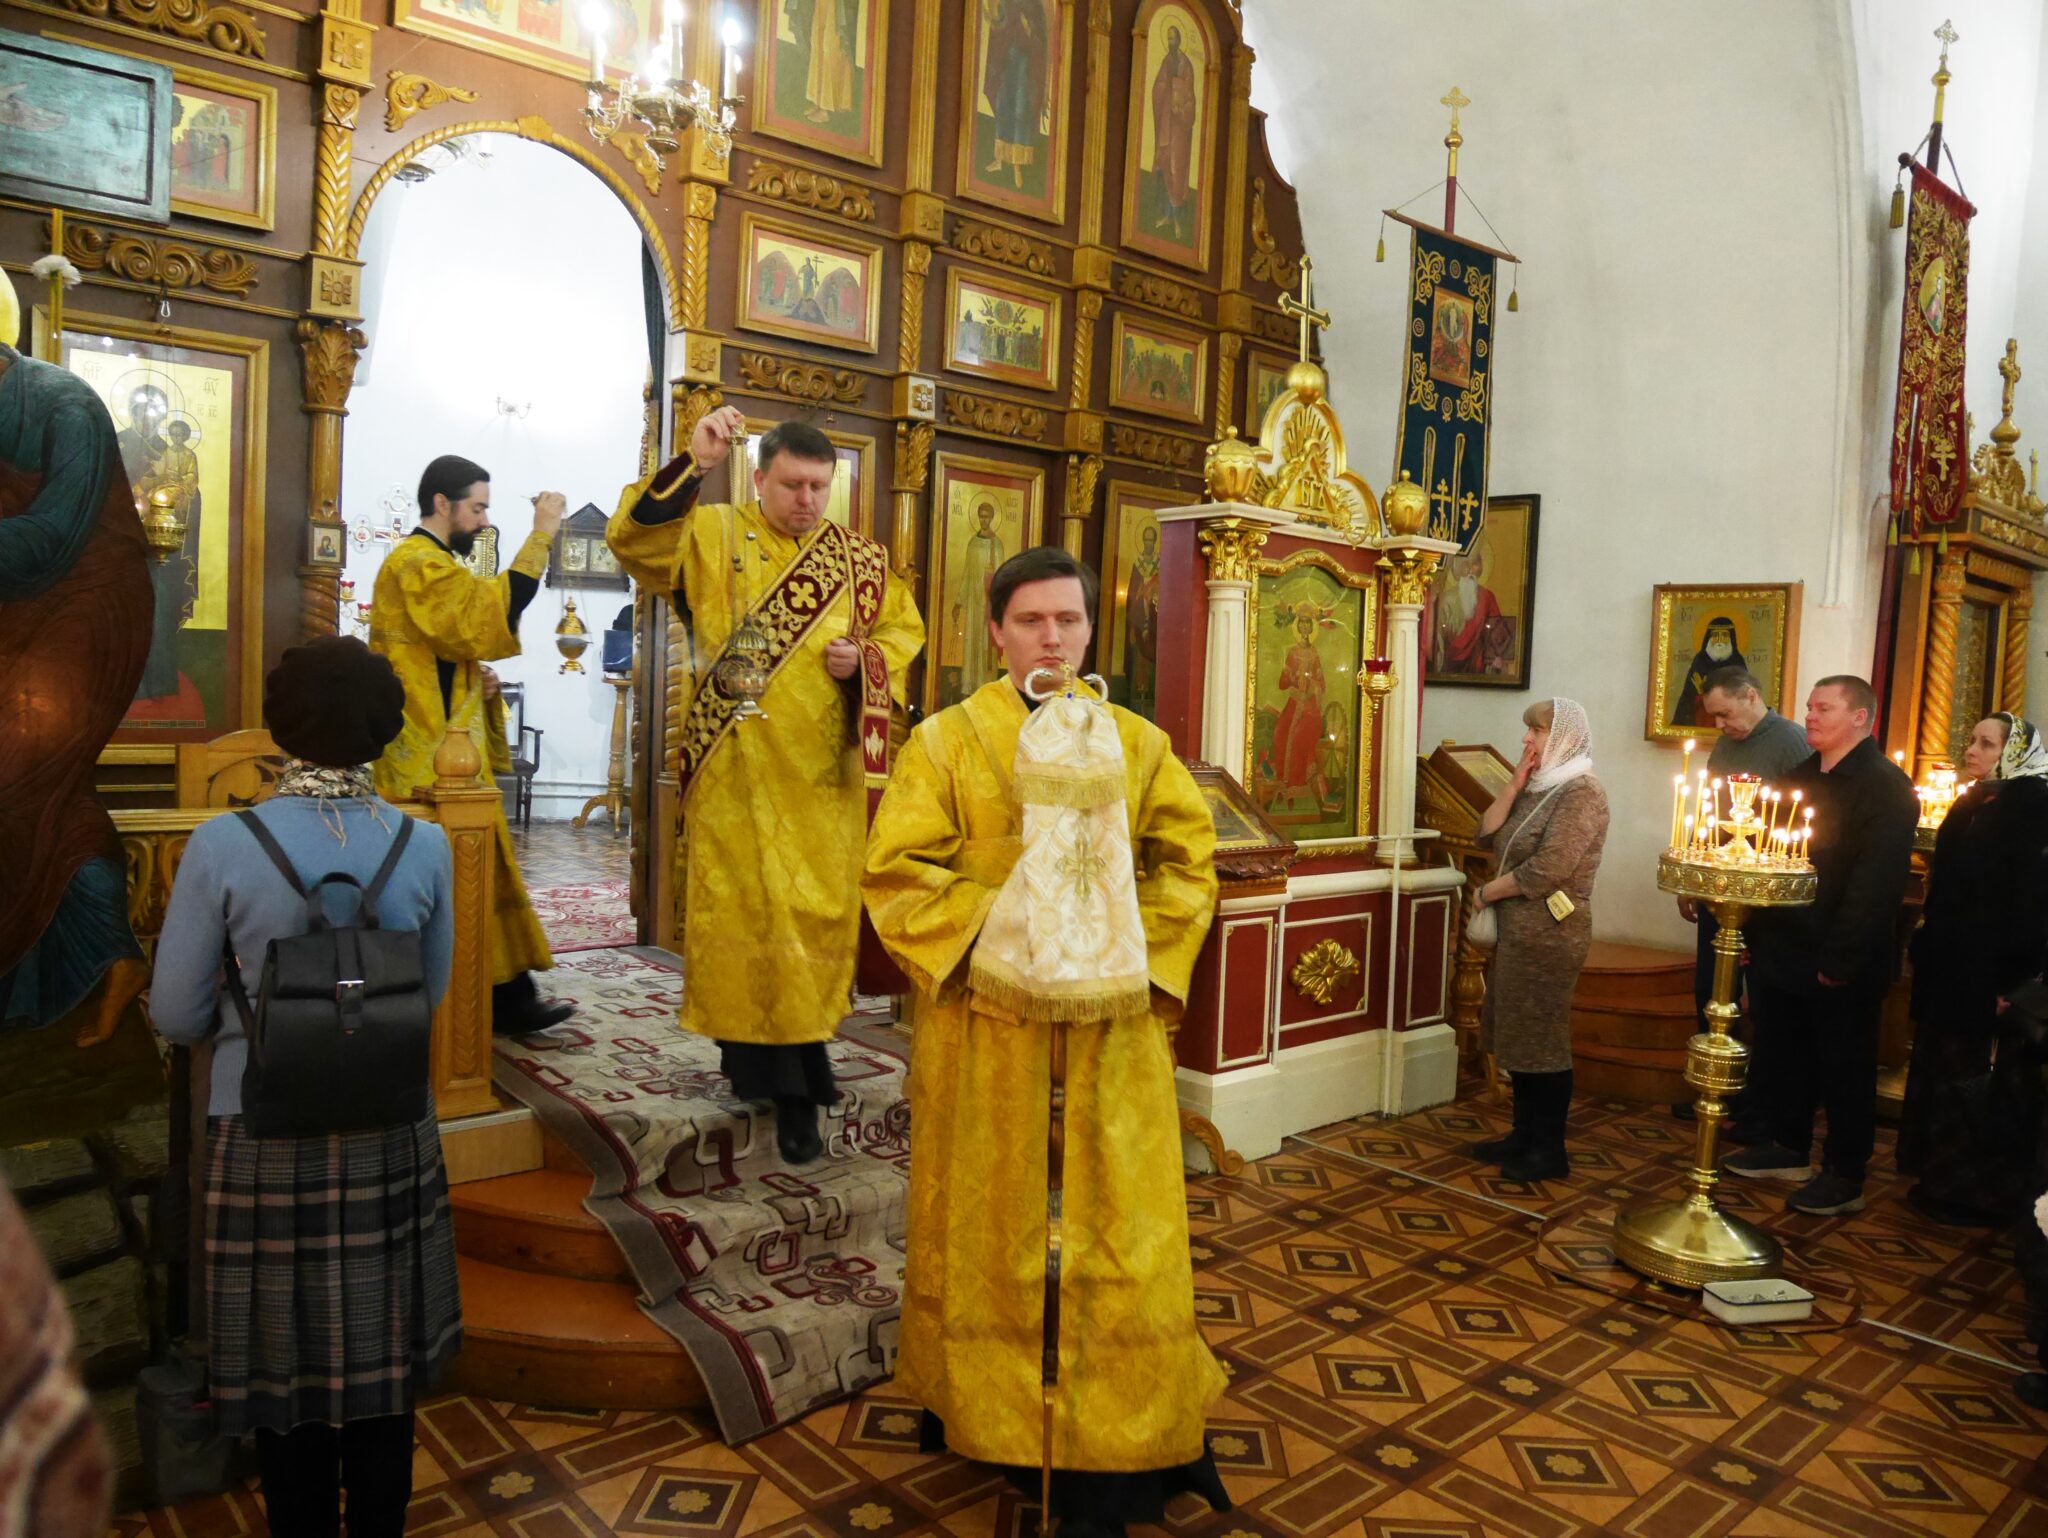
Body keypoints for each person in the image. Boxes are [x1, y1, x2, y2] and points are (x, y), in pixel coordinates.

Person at [861, 547, 1228, 1538]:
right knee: (991, 1231)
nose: (1051, 639)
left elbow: (1189, 865)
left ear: (1088, 630)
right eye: (1030, 621)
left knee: (1119, 1235)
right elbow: (895, 872)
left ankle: (1120, 1433)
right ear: (995, 631)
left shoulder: (1138, 744)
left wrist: (1127, 959)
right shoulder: (943, 743)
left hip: (1113, 1044)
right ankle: (991, 1416)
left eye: (1068, 620)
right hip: (990, 1037)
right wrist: (1015, 932)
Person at [148, 637, 461, 1538]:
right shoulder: (426, 844)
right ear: (384, 730)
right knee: (381, 1360)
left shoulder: (223, 843)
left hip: (260, 1128)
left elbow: (176, 1014)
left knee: (280, 1364)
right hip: (389, 1124)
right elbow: (431, 993)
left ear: (280, 727)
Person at [606, 410, 923, 1164]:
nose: (806, 499)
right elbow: (634, 543)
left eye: (818, 486)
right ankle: (786, 1086)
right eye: (791, 485)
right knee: (751, 924)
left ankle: (789, 1069)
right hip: (736, 773)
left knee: (809, 926)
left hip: (823, 786)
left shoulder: (860, 562)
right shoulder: (713, 534)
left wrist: (866, 663)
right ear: (758, 478)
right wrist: (694, 460)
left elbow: (902, 634)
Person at [369, 454, 572, 1036]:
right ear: (442, 503)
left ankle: (504, 997)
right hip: (425, 758)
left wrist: (475, 680)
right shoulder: (417, 562)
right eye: (478, 508)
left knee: (477, 871)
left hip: (447, 752)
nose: (484, 520)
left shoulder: (433, 562)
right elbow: (487, 612)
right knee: (454, 876)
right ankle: (468, 1003)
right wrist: (541, 534)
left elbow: (451, 644)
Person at [0, 322, 154, 1042]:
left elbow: (48, 540)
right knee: (50, 793)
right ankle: (104, 962)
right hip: (13, 612)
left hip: (88, 608)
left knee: (15, 773)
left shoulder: (64, 405)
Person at [1727, 675, 1916, 1215]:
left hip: (1841, 955)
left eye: (1824, 708)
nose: (1809, 715)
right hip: (1784, 946)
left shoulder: (1885, 787)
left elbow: (1874, 886)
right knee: (1786, 1055)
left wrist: (1842, 958)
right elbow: (1770, 860)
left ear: (1860, 717)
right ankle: (1788, 1148)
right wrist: (1753, 933)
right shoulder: (1800, 777)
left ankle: (1845, 1173)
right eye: (1809, 707)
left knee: (1844, 1067)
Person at [1895, 713, 2048, 1219]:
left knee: (1979, 1079)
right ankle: (1936, 1177)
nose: (1971, 750)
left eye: (1987, 743)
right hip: (1952, 969)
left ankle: (1976, 1195)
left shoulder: (2034, 807)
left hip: (1991, 976)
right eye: (1972, 740)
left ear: (2014, 752)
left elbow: (2030, 905)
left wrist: (2015, 983)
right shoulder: (1974, 802)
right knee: (1942, 1072)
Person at [1465, 698, 1610, 1183]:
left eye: (1538, 731)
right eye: (1528, 730)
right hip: (1517, 931)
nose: (1527, 739)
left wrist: (1486, 892)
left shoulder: (1583, 792)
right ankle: (1522, 1135)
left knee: (1542, 1037)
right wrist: (1513, 784)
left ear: (1566, 736)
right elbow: (1484, 834)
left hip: (1551, 934)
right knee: (1516, 1033)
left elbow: (1549, 868)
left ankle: (1549, 1149)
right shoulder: (1538, 785)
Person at [1671, 665, 1812, 1126]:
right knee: (1711, 989)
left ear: (1751, 696)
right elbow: (1709, 814)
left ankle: (1759, 1101)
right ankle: (1713, 1084)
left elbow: (1801, 823)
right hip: (1719, 890)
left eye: (1725, 714)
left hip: (1765, 897)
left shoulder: (1791, 742)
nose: (1720, 725)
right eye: (1714, 716)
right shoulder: (1726, 744)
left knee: (1764, 1000)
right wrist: (1693, 880)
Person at [1670, 615, 1745, 728]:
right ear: (1708, 638)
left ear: (1731, 638)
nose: (1719, 640)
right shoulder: (1700, 661)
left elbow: (1742, 700)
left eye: (1724, 635)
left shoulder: (1738, 662)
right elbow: (1687, 699)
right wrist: (1700, 694)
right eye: (1715, 635)